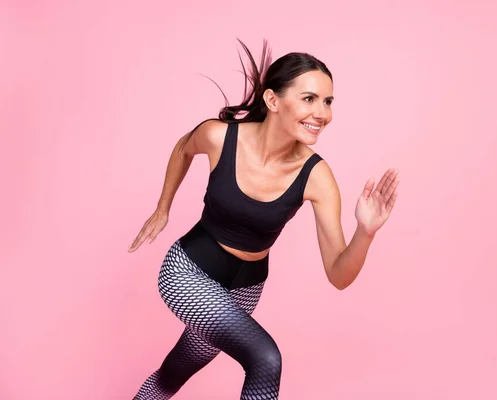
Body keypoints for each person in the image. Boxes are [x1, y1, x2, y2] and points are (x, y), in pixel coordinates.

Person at [128, 39, 399, 400]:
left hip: (246, 289)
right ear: (273, 101)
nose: (323, 113)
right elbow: (183, 148)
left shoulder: (317, 177)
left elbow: (338, 275)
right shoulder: (219, 136)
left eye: (328, 101)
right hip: (188, 271)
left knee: (173, 372)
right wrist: (163, 207)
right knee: (264, 359)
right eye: (309, 99)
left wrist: (365, 232)